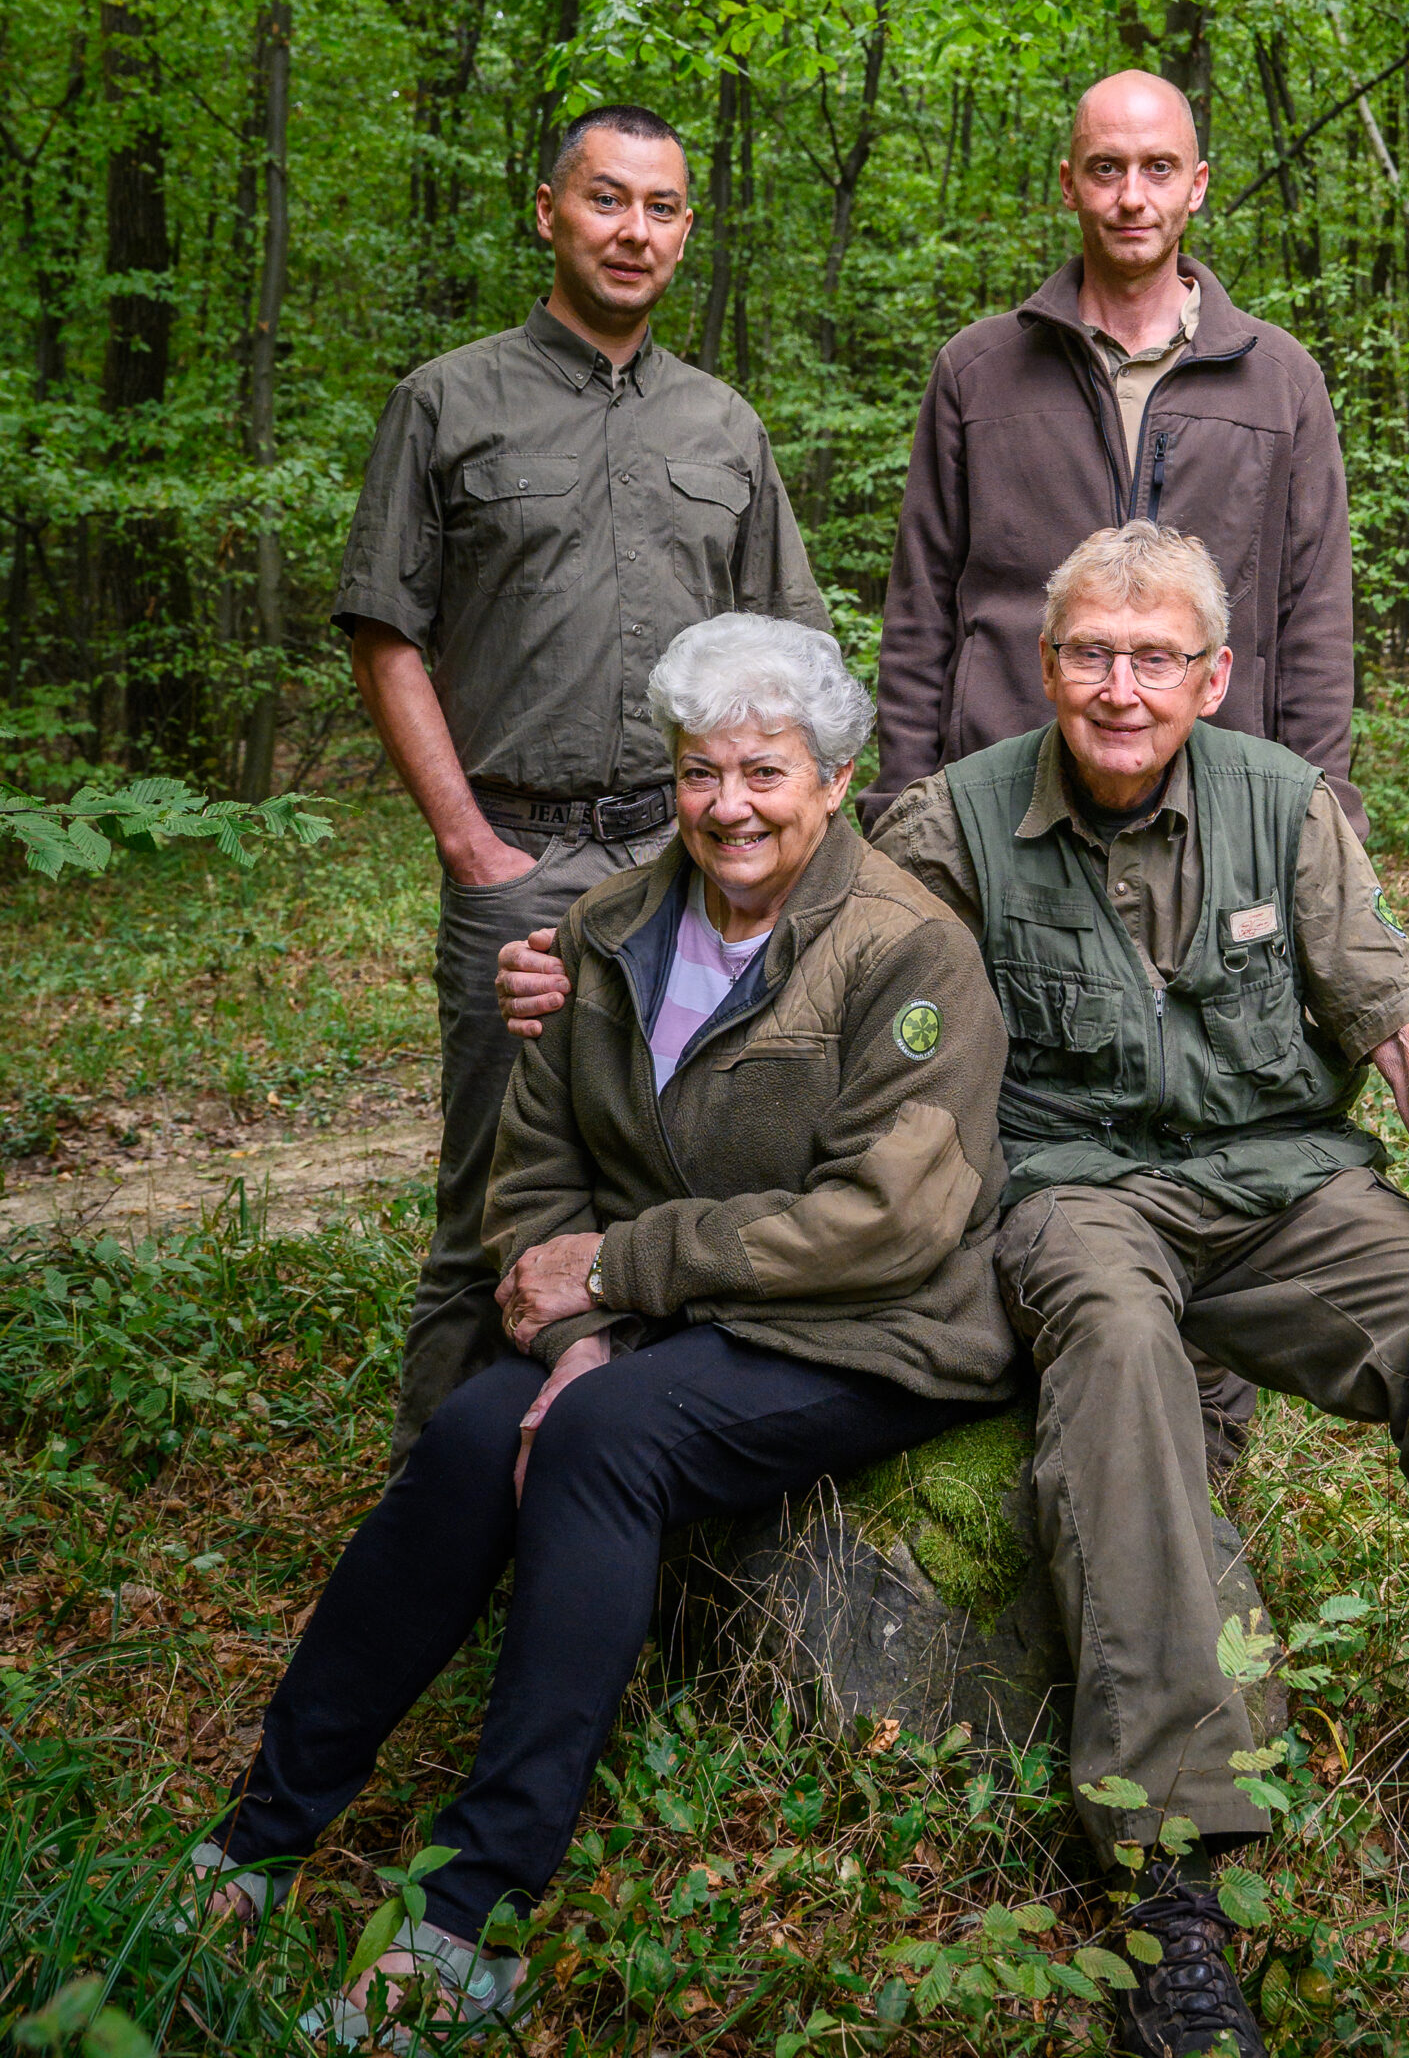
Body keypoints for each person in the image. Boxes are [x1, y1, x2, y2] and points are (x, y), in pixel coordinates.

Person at [187, 616, 1014, 2034]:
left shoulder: (904, 949)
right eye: (700, 771)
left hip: (872, 1331)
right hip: (661, 1318)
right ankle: (262, 1832)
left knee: (601, 1446)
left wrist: (622, 1279)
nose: (729, 805)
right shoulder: (612, 926)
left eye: (765, 770)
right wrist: (566, 1335)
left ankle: (467, 1918)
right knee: (466, 1435)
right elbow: (539, 1165)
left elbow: (889, 1222)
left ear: (832, 780)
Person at [868, 520, 1409, 2058]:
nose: (1117, 688)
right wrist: (593, 962)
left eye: (1151, 658)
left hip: (1279, 1189)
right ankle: (1168, 1861)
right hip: (1076, 1196)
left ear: (1211, 674)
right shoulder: (951, 822)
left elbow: (1398, 1019)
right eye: (1087, 654)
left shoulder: (1282, 804)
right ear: (1044, 664)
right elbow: (814, 960)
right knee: (1118, 1349)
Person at [331, 102, 830, 1470]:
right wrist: (473, 850)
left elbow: (786, 655)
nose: (635, 231)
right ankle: (440, 1510)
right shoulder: (449, 401)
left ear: (685, 232)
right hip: (525, 861)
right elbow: (386, 633)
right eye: (607, 201)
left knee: (689, 1168)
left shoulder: (720, 426)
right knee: (492, 1194)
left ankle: (631, 1484)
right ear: (548, 212)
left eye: (663, 208)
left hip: (695, 863)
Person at [862, 69, 1365, 837]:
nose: (1132, 197)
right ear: (1069, 185)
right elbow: (920, 611)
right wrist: (901, 807)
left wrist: (1320, 816)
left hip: (1222, 811)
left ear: (1195, 187)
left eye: (1157, 168)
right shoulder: (976, 373)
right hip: (1001, 805)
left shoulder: (1280, 382)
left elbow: (1314, 623)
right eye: (1107, 168)